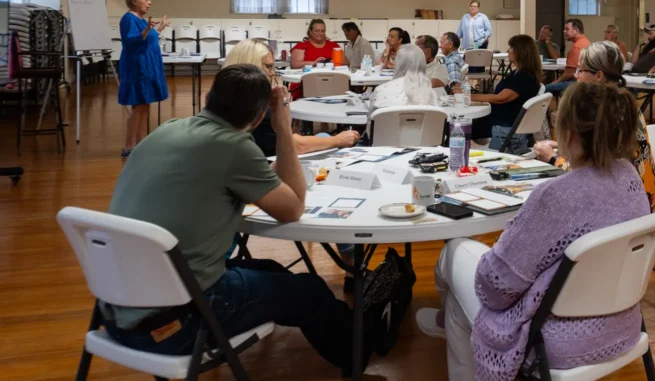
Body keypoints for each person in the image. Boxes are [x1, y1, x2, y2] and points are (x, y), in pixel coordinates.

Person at [101, 65, 356, 371]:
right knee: (310, 291)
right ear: (260, 117)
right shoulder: (234, 146)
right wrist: (284, 129)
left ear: (208, 97)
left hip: (118, 309)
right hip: (172, 325)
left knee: (272, 269)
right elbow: (293, 209)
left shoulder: (170, 128)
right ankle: (359, 358)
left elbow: (264, 183)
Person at [417, 81, 649, 380]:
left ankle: (453, 320)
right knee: (461, 297)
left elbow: (496, 288)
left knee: (454, 251)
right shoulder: (629, 177)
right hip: (624, 324)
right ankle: (451, 318)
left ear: (568, 134)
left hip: (555, 339)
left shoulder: (556, 196)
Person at [534, 41, 655, 212]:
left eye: (581, 70)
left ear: (599, 76)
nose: (576, 76)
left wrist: (552, 158)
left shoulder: (605, 116)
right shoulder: (625, 107)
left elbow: (594, 176)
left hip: (624, 212)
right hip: (644, 201)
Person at [223, 39, 359, 156]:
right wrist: (337, 140)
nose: (272, 73)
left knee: (322, 137)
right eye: (268, 67)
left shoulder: (222, 99)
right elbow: (293, 144)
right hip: (267, 166)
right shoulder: (257, 110)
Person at [118, 0, 169, 159]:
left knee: (144, 104)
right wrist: (147, 29)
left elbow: (149, 40)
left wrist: (159, 28)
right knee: (138, 105)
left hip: (147, 66)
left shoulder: (140, 19)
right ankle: (129, 146)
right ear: (133, 1)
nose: (149, 3)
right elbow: (132, 41)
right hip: (137, 68)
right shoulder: (128, 19)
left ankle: (140, 143)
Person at [470, 35, 542, 151]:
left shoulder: (524, 77)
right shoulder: (519, 73)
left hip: (504, 124)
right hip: (503, 118)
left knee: (464, 127)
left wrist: (469, 97)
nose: (508, 51)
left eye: (511, 48)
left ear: (520, 52)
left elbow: (500, 98)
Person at [370, 44, 439, 113]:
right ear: (423, 64)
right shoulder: (430, 94)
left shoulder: (380, 90)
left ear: (398, 64)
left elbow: (371, 121)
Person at [546, 18, 591, 96]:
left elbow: (570, 73)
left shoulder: (577, 47)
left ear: (576, 31)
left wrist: (556, 81)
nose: (564, 31)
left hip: (577, 83)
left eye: (567, 29)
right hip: (585, 81)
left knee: (545, 89)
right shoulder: (586, 42)